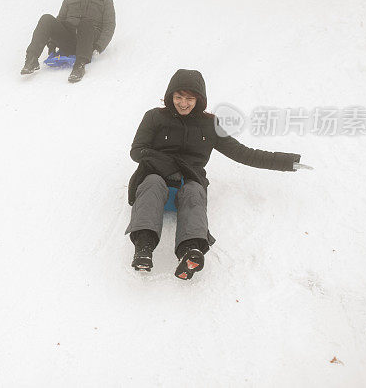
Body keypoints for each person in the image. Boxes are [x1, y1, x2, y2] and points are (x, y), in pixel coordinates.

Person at [126, 69, 303, 279]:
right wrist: (166, 165)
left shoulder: (209, 125)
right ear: (170, 96)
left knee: (194, 192)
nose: (183, 103)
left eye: (189, 98)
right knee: (153, 182)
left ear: (199, 99)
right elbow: (137, 151)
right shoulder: (155, 117)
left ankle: (190, 253)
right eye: (178, 97)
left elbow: (242, 153)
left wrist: (286, 162)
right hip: (154, 175)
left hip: (188, 180)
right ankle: (143, 249)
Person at [20, 0, 115, 83]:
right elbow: (59, 21)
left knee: (86, 23)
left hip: (88, 43)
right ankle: (31, 59)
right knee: (47, 18)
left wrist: (99, 47)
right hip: (69, 41)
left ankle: (79, 66)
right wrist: (52, 42)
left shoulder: (106, 2)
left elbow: (109, 26)